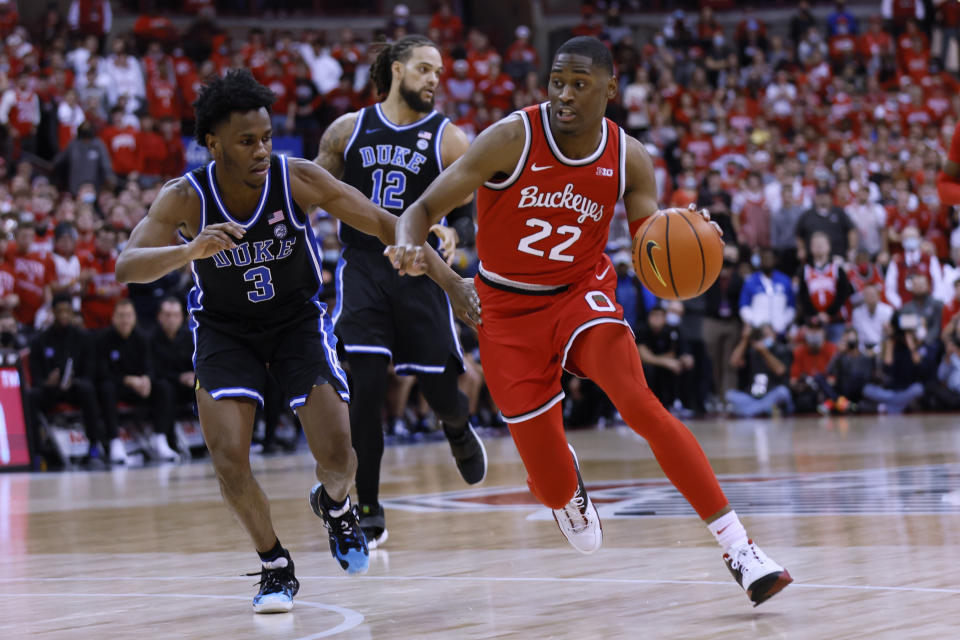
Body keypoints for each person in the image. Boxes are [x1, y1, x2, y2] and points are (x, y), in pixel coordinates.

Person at [386, 36, 791, 606]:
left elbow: (654, 247)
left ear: (609, 89)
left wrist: (690, 231)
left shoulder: (630, 156)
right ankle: (566, 487)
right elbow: (420, 209)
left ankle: (741, 549)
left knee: (638, 399)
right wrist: (416, 251)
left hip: (581, 296)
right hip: (505, 310)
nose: (564, 95)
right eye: (557, 82)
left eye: (579, 84)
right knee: (550, 483)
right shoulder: (510, 137)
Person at [114, 69, 478, 614]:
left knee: (339, 457)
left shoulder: (298, 178)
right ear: (213, 143)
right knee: (228, 457)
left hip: (297, 325)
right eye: (246, 141)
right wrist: (188, 253)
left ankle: (335, 507)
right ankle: (274, 565)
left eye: (266, 137)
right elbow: (127, 266)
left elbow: (386, 224)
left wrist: (450, 282)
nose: (262, 150)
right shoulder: (184, 197)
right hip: (224, 331)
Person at [313, 35, 487, 549]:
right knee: (365, 390)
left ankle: (456, 426)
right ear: (395, 69)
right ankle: (368, 505)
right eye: (425, 69)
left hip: (422, 271)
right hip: (364, 268)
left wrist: (456, 229)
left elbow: (470, 208)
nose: (435, 79)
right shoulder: (347, 131)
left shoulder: (449, 138)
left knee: (441, 393)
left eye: (439, 71)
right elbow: (309, 191)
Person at [95, 298, 178, 464]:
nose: (125, 320)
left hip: (139, 388)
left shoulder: (143, 338)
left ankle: (160, 439)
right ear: (113, 318)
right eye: (121, 316)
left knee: (164, 387)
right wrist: (128, 380)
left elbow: (151, 366)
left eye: (129, 315)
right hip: (118, 387)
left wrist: (147, 380)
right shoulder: (103, 338)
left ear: (135, 318)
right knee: (106, 388)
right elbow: (101, 372)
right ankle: (114, 442)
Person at [28, 293, 104, 464]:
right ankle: (36, 453)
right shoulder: (40, 340)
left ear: (72, 312)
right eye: (59, 311)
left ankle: (94, 445)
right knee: (32, 397)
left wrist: (76, 381)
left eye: (67, 311)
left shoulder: (83, 338)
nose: (63, 314)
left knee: (88, 390)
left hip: (74, 389)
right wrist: (46, 382)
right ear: (53, 312)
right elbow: (35, 375)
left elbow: (90, 372)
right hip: (50, 390)